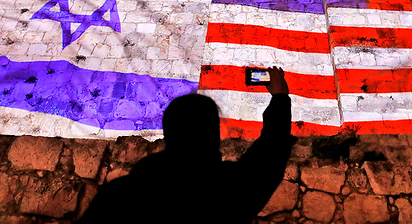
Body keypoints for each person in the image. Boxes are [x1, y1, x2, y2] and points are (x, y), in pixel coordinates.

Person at [78, 66, 295, 224]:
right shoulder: (229, 190)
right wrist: (280, 97)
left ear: (169, 132)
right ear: (213, 136)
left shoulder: (120, 196)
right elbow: (271, 151)